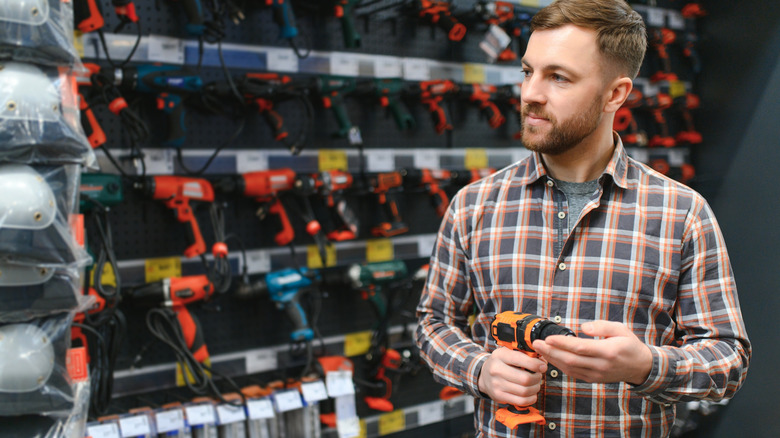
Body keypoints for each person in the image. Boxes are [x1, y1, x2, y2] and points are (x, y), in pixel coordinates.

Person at [415, 0, 751, 436]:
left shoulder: (681, 214)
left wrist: (646, 365)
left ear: (616, 94)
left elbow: (728, 357)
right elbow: (432, 323)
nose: (531, 93)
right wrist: (479, 370)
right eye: (527, 71)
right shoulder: (474, 206)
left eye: (558, 77)